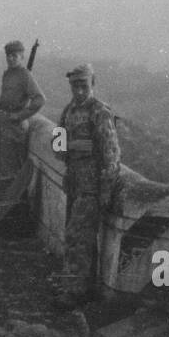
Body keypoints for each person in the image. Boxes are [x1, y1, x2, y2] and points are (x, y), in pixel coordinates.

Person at [54, 63, 123, 309]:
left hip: (92, 188)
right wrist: (70, 149)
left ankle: (75, 292)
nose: (80, 91)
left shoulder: (99, 112)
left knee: (77, 237)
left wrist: (105, 190)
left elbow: (112, 155)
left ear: (92, 84)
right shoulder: (68, 111)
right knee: (76, 238)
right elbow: (58, 147)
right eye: (75, 86)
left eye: (84, 85)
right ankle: (80, 287)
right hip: (74, 183)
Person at [0, 40, 44, 179]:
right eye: (8, 56)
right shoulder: (8, 74)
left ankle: (9, 197)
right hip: (2, 122)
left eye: (14, 56)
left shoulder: (25, 75)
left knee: (11, 166)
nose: (10, 59)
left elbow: (39, 99)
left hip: (14, 126)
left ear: (22, 57)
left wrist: (20, 116)